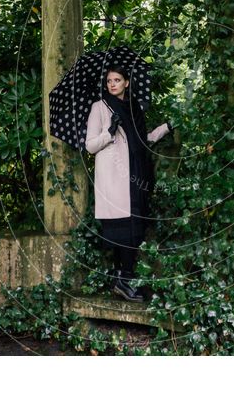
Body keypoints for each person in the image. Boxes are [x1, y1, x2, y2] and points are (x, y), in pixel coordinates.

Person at [85, 66, 173, 302]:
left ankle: (123, 281)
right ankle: (124, 282)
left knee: (135, 229)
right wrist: (109, 131)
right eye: (109, 81)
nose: (112, 84)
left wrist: (166, 128)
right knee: (123, 230)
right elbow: (90, 145)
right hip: (114, 180)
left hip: (135, 177)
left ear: (126, 83)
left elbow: (141, 141)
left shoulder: (134, 109)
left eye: (117, 80)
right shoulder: (100, 107)